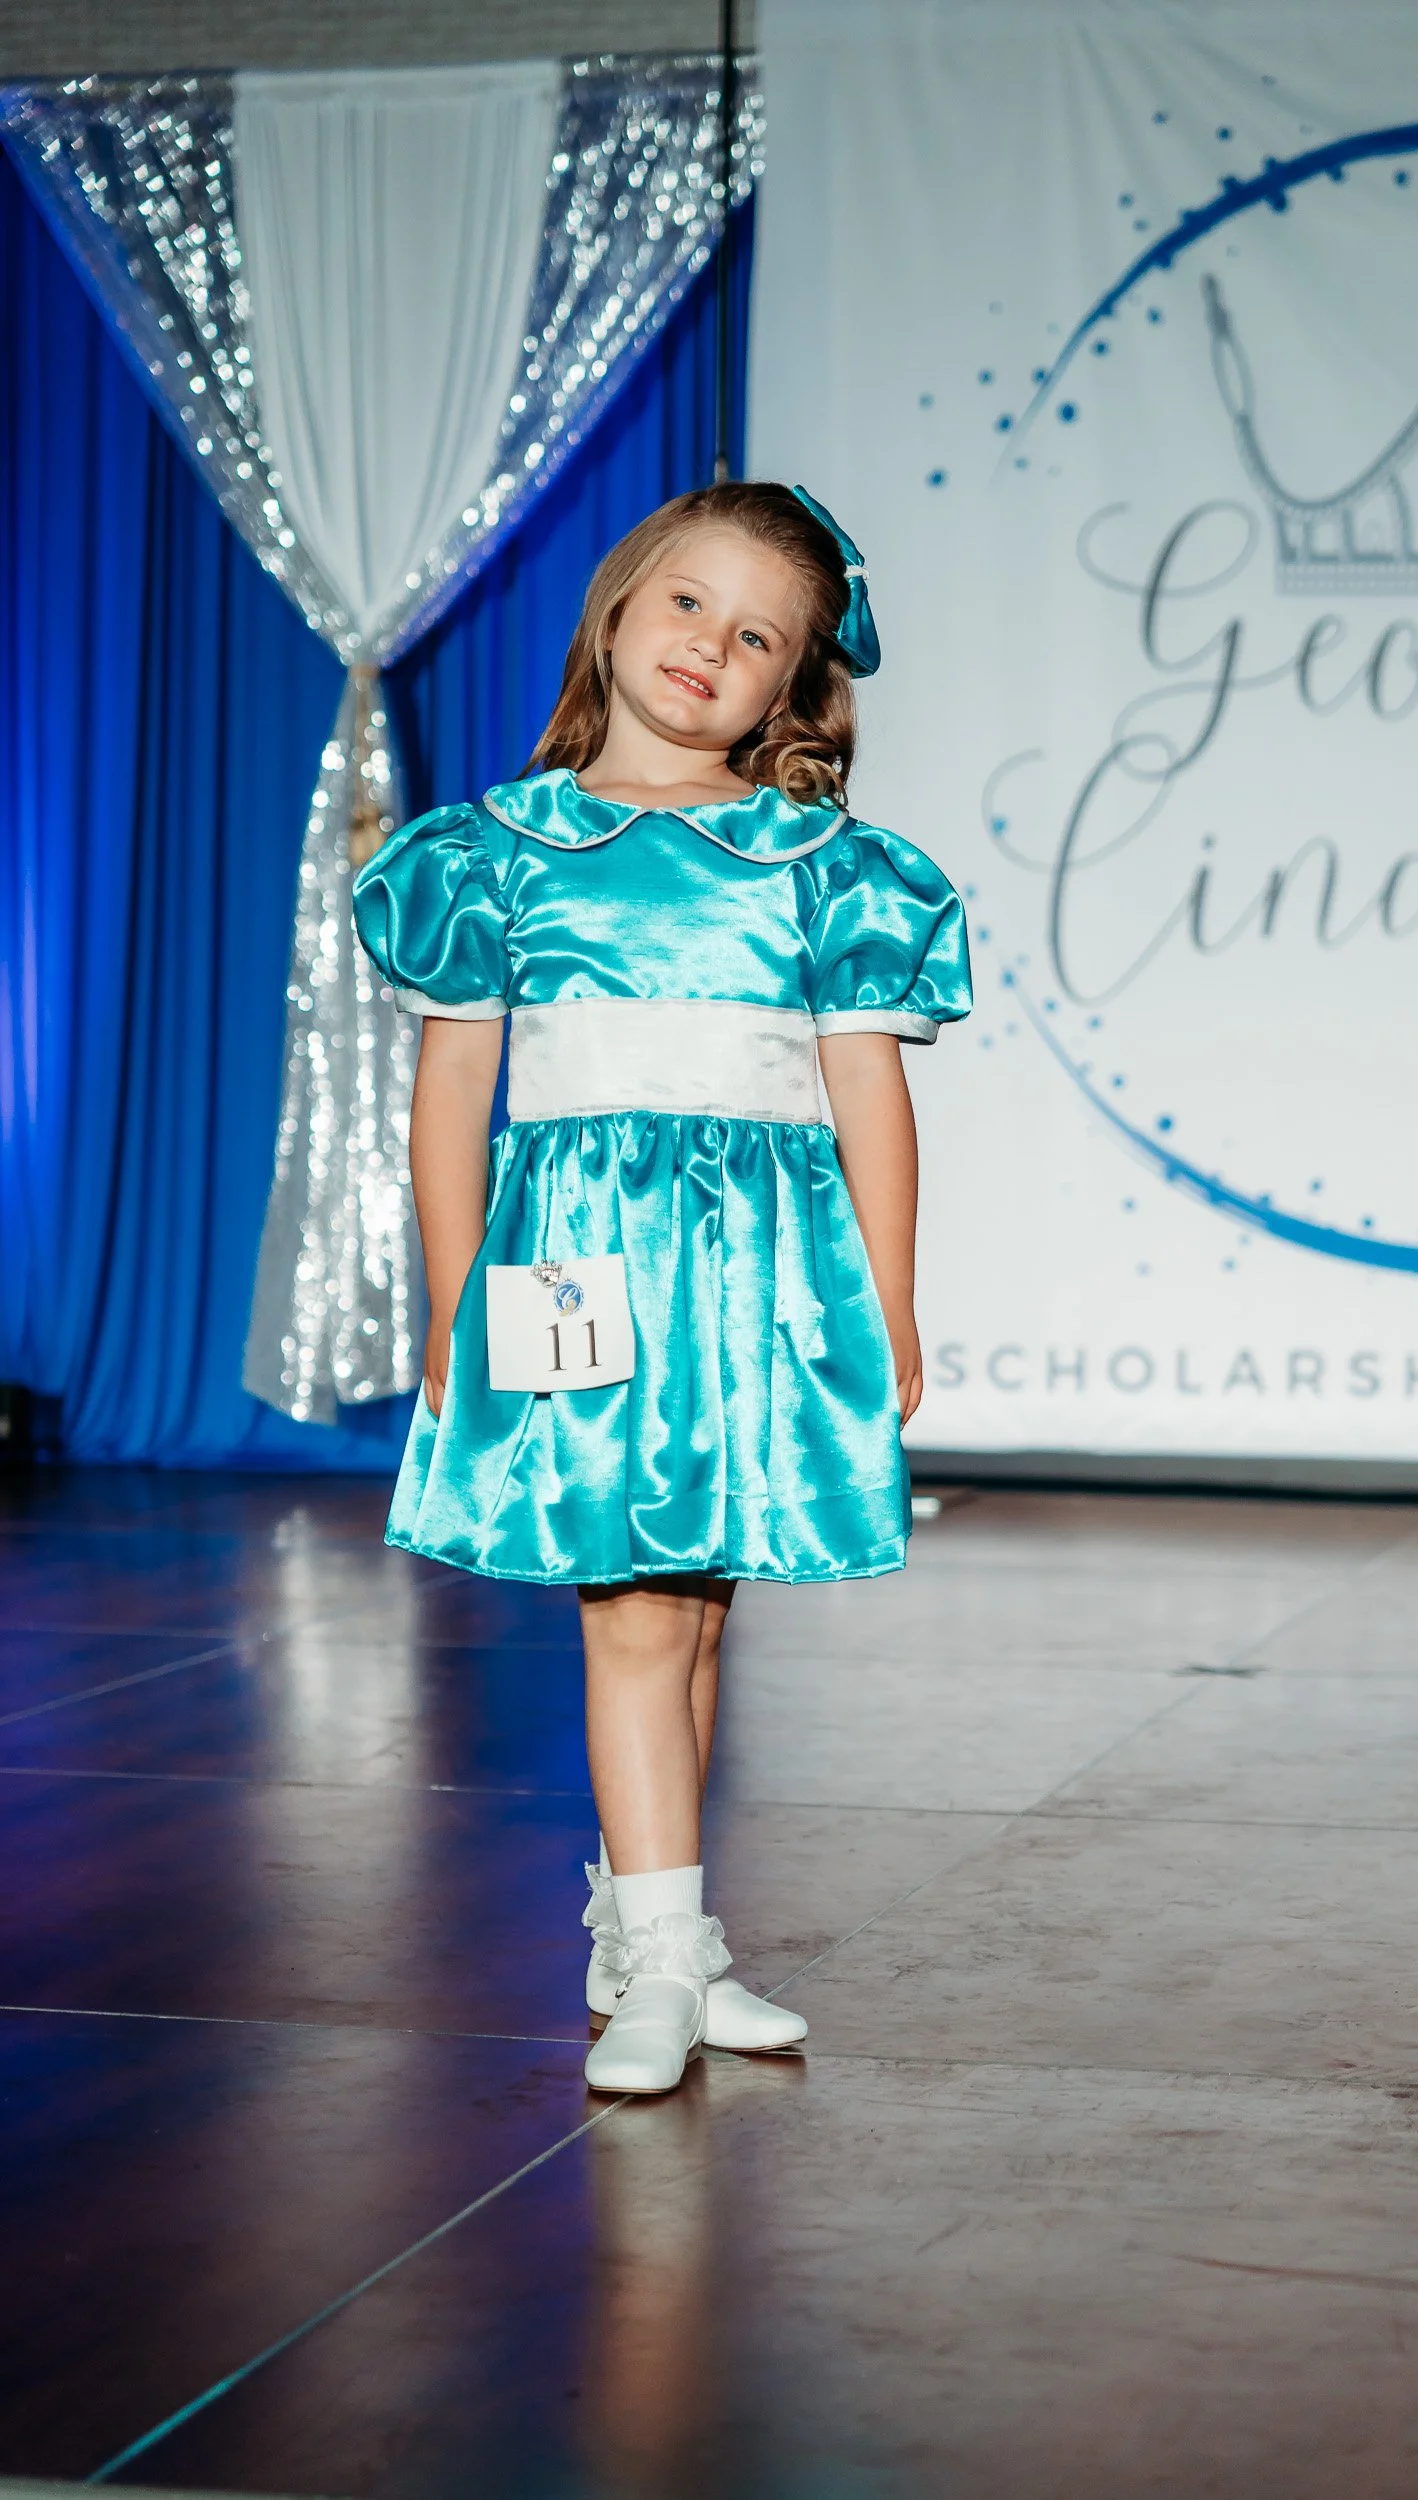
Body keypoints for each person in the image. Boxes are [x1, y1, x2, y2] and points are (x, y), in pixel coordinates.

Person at [352, 481, 970, 2096]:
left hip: (757, 1276)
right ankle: (655, 1966)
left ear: (792, 691)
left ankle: (661, 1942)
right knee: (627, 1614)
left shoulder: (825, 869)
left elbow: (869, 1104)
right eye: (689, 604)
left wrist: (887, 1304)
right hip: (580, 1268)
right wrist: (449, 1297)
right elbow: (451, 1093)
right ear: (617, 613)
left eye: (760, 634)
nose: (714, 645)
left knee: (694, 1618)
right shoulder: (495, 856)